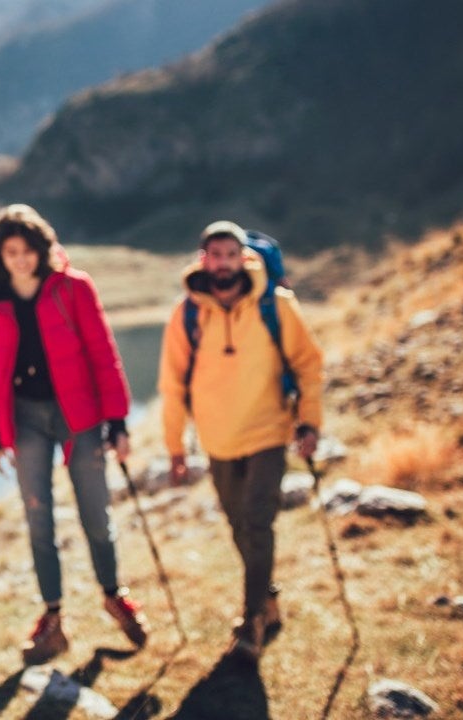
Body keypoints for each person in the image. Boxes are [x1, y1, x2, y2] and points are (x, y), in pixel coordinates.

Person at [0, 204, 148, 665]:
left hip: (80, 415)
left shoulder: (74, 288)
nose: (21, 259)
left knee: (96, 515)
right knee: (38, 519)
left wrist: (118, 421)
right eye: (11, 252)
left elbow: (103, 352)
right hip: (25, 418)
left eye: (28, 250)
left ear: (42, 249)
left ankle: (113, 595)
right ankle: (52, 618)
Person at [157, 220, 323, 661]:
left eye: (231, 255)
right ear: (203, 260)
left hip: (269, 430)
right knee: (238, 525)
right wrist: (175, 447)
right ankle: (267, 597)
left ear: (244, 259)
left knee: (257, 521)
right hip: (217, 439)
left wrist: (309, 422)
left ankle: (251, 621)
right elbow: (172, 385)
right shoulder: (187, 314)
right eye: (215, 255)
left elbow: (308, 364)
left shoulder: (276, 305)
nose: (223, 264)